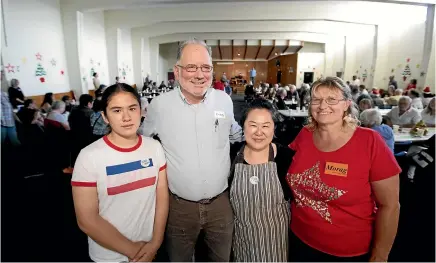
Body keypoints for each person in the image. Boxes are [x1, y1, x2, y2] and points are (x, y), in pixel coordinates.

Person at [141, 39, 242, 262]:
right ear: (177, 72)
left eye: (205, 67)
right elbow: (142, 142)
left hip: (220, 204)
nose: (199, 74)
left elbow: (235, 134)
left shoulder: (224, 100)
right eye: (191, 67)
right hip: (179, 207)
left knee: (222, 259)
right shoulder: (159, 106)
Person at [287, 76, 400, 262]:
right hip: (299, 239)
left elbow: (390, 206)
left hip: (348, 251)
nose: (323, 106)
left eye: (332, 99)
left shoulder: (369, 142)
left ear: (347, 104)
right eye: (316, 100)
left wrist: (380, 254)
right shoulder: (305, 134)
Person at [71, 83, 168, 262]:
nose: (126, 117)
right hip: (109, 256)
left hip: (149, 249)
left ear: (141, 111)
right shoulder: (89, 157)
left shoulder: (154, 148)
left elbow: (161, 199)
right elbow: (87, 219)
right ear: (105, 117)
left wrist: (155, 243)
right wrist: (133, 251)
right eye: (116, 111)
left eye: (132, 108)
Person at [229, 99, 294, 261]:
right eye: (253, 125)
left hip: (278, 248)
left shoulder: (287, 158)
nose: (259, 132)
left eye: (265, 126)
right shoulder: (231, 155)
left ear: (274, 129)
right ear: (243, 126)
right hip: (242, 246)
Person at [69, 94, 94, 165]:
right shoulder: (90, 112)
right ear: (89, 103)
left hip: (74, 136)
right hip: (87, 138)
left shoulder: (73, 110)